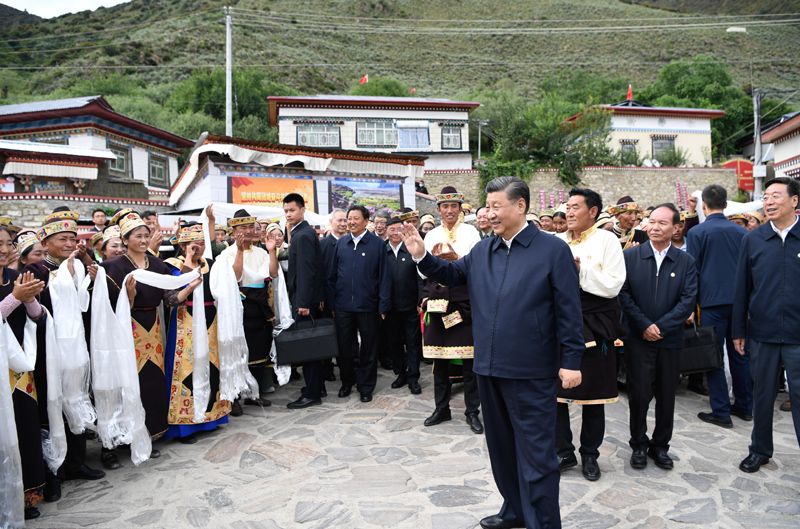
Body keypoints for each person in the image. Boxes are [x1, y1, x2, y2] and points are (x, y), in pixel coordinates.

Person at [402, 176, 584, 529]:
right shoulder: (485, 249)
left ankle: (543, 522)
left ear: (520, 206)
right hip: (488, 366)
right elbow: (452, 273)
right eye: (487, 206)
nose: (490, 213)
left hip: (531, 370)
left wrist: (572, 361)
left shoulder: (551, 250)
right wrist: (421, 255)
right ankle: (514, 510)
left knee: (537, 455)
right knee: (501, 450)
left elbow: (569, 310)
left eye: (496, 206)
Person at [99, 210, 201, 467]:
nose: (143, 239)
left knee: (151, 379)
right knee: (124, 381)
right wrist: (128, 299)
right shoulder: (112, 267)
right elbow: (103, 307)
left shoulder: (157, 265)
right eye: (138, 235)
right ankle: (116, 442)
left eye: (147, 235)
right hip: (124, 327)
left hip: (152, 327)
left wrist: (188, 287)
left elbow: (168, 300)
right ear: (125, 239)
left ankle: (147, 434)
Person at [22, 207, 104, 501]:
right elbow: (36, 310)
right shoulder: (35, 271)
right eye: (62, 239)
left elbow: (83, 305)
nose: (69, 244)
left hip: (75, 345)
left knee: (78, 398)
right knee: (52, 404)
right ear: (45, 243)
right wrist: (63, 278)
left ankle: (76, 462)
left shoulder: (78, 265)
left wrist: (87, 278)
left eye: (72, 238)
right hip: (49, 348)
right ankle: (52, 471)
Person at [618, 203, 698, 471]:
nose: (654, 227)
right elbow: (623, 295)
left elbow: (687, 300)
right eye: (651, 221)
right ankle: (638, 445)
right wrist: (643, 325)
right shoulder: (630, 256)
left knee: (667, 396)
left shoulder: (686, 261)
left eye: (662, 223)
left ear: (676, 228)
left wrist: (661, 327)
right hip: (638, 339)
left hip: (670, 340)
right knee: (639, 396)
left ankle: (660, 446)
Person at [555, 188, 626, 482]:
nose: (569, 212)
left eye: (575, 207)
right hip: (559, 324)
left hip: (596, 323)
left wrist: (580, 272)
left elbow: (613, 285)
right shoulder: (555, 242)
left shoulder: (607, 240)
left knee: (594, 396)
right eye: (567, 207)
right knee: (555, 395)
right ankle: (563, 451)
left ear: (593, 212)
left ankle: (590, 455)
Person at [733, 177, 800, 473]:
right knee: (762, 395)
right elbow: (741, 288)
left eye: (776, 196)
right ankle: (759, 450)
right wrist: (738, 330)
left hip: (799, 336)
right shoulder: (753, 238)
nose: (768, 202)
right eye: (766, 196)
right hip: (762, 333)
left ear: (794, 200)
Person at [687, 184, 752, 429]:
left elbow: (694, 271)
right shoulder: (742, 233)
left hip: (711, 303)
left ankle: (721, 411)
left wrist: (692, 305)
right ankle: (745, 406)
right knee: (741, 354)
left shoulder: (697, 233)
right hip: (739, 302)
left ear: (703, 205)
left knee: (713, 356)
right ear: (726, 205)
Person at [420, 187, 483, 434]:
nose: (449, 211)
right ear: (438, 210)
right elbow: (422, 270)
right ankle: (441, 408)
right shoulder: (432, 234)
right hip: (437, 303)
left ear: (460, 209)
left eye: (454, 206)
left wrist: (456, 259)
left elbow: (477, 265)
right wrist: (434, 262)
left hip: (463, 302)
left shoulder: (471, 232)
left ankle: (472, 412)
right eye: (444, 207)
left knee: (469, 362)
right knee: (440, 361)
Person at [161, 223, 230, 444]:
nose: (198, 248)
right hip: (185, 320)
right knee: (185, 369)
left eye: (201, 243)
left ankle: (211, 416)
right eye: (193, 244)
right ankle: (184, 426)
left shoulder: (211, 264)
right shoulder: (172, 265)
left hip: (211, 318)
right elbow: (171, 298)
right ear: (182, 245)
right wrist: (188, 261)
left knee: (211, 365)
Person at [0, 220, 47, 520]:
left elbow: (38, 317)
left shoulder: (18, 276)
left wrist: (29, 301)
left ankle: (25, 494)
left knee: (25, 428)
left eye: (8, 244)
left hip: (20, 368)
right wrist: (14, 298)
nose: (4, 250)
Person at [212, 208, 278, 414]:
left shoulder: (261, 252)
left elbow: (273, 273)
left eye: (251, 227)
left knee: (258, 349)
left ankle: (253, 393)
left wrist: (273, 251)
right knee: (238, 351)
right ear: (233, 233)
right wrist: (240, 251)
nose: (248, 231)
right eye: (243, 228)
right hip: (239, 306)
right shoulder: (226, 254)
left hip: (259, 304)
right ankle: (235, 397)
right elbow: (236, 278)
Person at [328, 205, 391, 403]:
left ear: (366, 221)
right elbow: (332, 276)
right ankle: (347, 382)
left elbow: (384, 277)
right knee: (345, 348)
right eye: (349, 218)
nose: (351, 222)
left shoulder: (377, 244)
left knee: (369, 348)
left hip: (368, 306)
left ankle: (366, 386)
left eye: (356, 218)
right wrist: (333, 304)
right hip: (343, 306)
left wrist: (383, 305)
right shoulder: (341, 243)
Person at [283, 193, 328, 409]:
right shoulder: (302, 233)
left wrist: (303, 302)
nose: (288, 214)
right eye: (285, 211)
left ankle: (312, 393)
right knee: (312, 346)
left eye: (292, 210)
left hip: (304, 302)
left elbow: (307, 272)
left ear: (302, 210)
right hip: (309, 299)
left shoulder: (303, 235)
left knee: (308, 347)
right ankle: (316, 386)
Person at [384, 216, 424, 395]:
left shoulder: (411, 249)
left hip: (410, 307)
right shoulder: (381, 251)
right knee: (394, 343)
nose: (395, 233)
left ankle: (413, 377)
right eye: (391, 229)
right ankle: (400, 373)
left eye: (398, 229)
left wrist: (420, 300)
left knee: (413, 343)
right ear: (386, 231)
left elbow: (420, 277)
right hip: (390, 308)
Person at [319, 208, 347, 382]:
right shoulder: (322, 245)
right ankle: (327, 367)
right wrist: (321, 297)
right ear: (331, 223)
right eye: (339, 221)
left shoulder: (352, 243)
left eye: (345, 220)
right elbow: (319, 273)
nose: (343, 224)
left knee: (345, 335)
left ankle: (347, 366)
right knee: (328, 334)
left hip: (346, 298)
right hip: (328, 298)